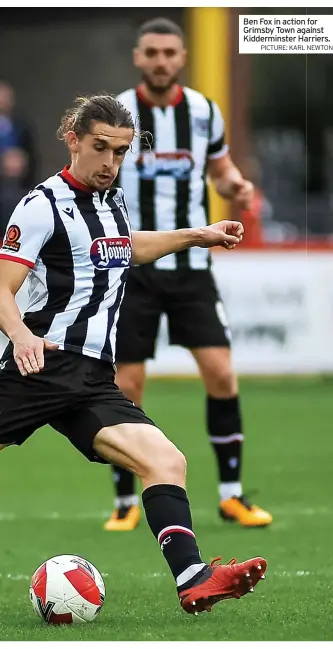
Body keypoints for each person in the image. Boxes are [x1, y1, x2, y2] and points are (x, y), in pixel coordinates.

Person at [0, 93, 266, 616]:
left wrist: (197, 235)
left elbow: (123, 246)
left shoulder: (111, 200)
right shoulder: (41, 205)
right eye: (101, 148)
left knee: (165, 460)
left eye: (120, 152)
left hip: (91, 379)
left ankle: (193, 580)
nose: (110, 163)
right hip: (33, 367)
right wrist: (22, 335)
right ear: (73, 139)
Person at [103, 17, 273, 532]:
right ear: (138, 57)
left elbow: (220, 170)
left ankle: (231, 495)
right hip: (131, 264)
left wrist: (238, 186)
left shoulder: (203, 111)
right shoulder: (114, 112)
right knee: (126, 385)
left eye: (169, 52)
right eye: (151, 52)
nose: (160, 61)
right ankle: (125, 501)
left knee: (221, 373)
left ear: (182, 58)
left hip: (192, 267)